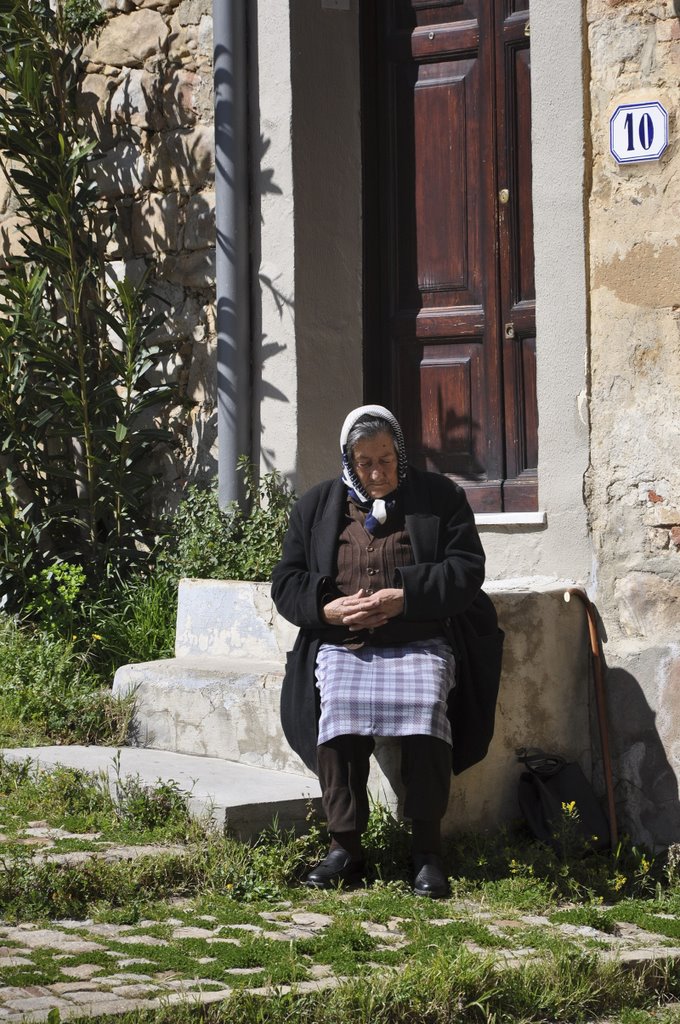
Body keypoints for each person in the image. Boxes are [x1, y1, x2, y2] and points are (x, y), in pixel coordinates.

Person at [270, 404, 497, 898]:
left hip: (420, 639)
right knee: (337, 710)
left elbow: (466, 570)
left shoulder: (440, 499)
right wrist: (328, 610)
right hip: (344, 642)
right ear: (349, 462)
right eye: (366, 462)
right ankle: (345, 847)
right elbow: (286, 581)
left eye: (387, 460)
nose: (378, 473)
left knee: (427, 707)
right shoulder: (315, 507)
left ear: (400, 455)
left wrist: (406, 597)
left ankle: (426, 851)